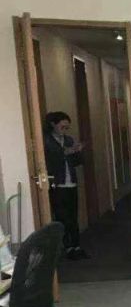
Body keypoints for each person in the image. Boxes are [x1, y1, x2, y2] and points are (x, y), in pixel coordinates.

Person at [43, 111, 88, 260]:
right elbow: (48, 162)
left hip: (71, 183)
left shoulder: (68, 140)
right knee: (62, 217)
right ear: (53, 125)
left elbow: (77, 162)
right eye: (62, 127)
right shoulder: (46, 141)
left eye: (67, 128)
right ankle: (68, 247)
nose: (65, 130)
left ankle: (77, 246)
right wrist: (64, 153)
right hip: (57, 184)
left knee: (73, 216)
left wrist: (77, 151)